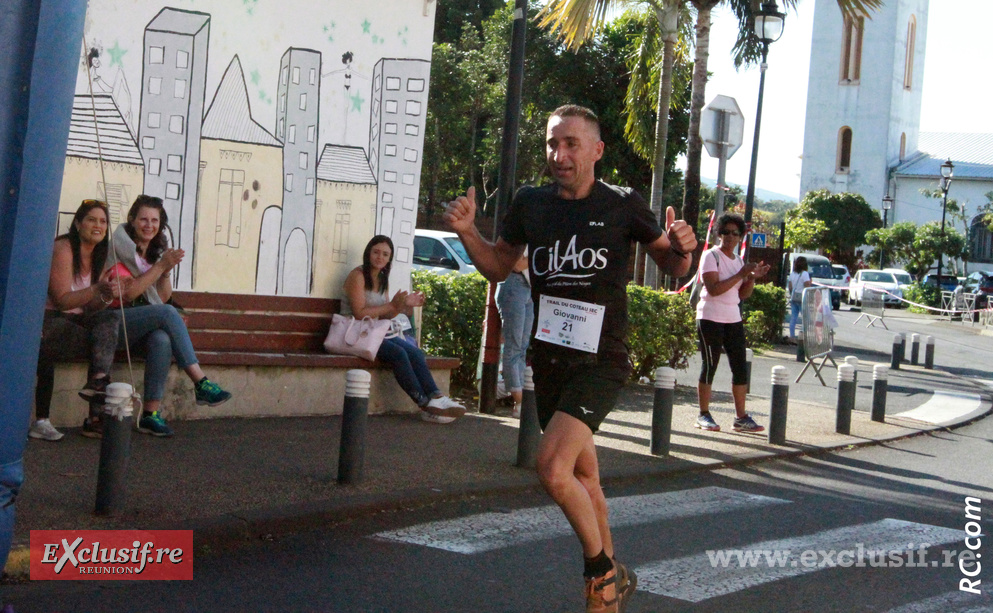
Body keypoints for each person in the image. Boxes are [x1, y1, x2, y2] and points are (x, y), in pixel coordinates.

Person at [444, 104, 697, 613]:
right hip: (552, 359)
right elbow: (497, 265)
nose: (559, 155)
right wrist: (470, 232)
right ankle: (614, 590)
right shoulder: (530, 204)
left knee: (552, 468)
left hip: (602, 361)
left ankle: (599, 571)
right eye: (551, 144)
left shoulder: (624, 204)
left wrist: (684, 249)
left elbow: (668, 261)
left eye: (571, 144)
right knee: (585, 481)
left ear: (597, 150)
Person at [107, 195, 232, 437]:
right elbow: (130, 293)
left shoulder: (154, 253)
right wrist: (161, 266)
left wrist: (164, 272)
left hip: (139, 326)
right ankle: (201, 382)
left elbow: (162, 298)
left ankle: (150, 415)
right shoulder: (118, 248)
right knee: (167, 314)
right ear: (132, 220)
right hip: (112, 322)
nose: (149, 225)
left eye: (155, 220)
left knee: (162, 338)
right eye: (143, 219)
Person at [343, 235, 466, 424]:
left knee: (414, 352)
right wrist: (392, 305)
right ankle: (425, 405)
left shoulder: (382, 279)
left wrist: (403, 306)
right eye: (376, 252)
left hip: (373, 333)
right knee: (398, 353)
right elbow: (359, 313)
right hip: (354, 334)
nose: (380, 257)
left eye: (385, 254)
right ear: (368, 253)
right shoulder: (357, 276)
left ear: (389, 259)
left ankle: (437, 396)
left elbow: (384, 316)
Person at [32, 200, 124, 441]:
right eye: (92, 220)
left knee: (109, 320)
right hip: (50, 322)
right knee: (94, 341)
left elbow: (90, 307)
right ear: (77, 223)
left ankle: (98, 390)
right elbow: (62, 301)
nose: (98, 225)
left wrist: (106, 295)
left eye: (103, 221)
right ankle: (44, 421)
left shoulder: (99, 255)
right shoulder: (63, 248)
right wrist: (96, 289)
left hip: (76, 322)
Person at [693, 213, 770, 434]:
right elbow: (714, 289)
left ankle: (741, 417)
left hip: (732, 318)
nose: (730, 237)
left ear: (740, 237)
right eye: (726, 232)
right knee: (710, 365)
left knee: (740, 366)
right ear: (719, 233)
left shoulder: (738, 261)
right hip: (710, 316)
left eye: (735, 233)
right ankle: (703, 414)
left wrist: (752, 277)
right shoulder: (711, 256)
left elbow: (743, 294)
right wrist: (741, 274)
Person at [495, 251, 533, 418]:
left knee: (522, 348)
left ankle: (521, 400)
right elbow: (518, 264)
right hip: (513, 283)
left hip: (529, 286)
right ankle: (519, 402)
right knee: (514, 345)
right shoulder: (522, 235)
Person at [787, 256, 812, 344]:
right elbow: (807, 286)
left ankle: (792, 336)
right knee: (805, 318)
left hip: (794, 297)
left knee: (793, 318)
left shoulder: (792, 274)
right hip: (802, 298)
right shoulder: (805, 274)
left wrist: (792, 294)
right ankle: (802, 336)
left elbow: (790, 287)